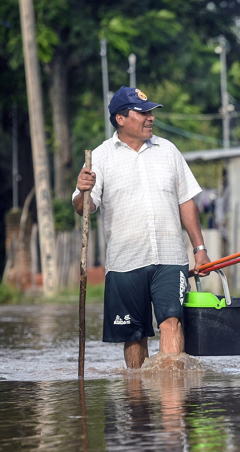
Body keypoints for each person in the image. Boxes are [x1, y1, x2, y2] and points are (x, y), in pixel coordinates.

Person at [72, 86, 212, 368]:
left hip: (170, 258)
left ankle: (172, 392)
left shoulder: (168, 150)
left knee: (172, 321)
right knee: (134, 336)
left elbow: (186, 201)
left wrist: (200, 249)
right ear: (120, 119)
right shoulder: (100, 157)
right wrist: (82, 190)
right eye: (143, 113)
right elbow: (84, 207)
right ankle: (137, 393)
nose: (151, 118)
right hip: (125, 262)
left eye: (151, 113)